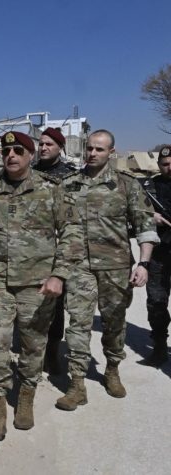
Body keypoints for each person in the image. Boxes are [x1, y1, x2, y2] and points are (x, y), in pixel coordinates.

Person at [0, 131, 82, 440]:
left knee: (33, 344)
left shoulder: (51, 190)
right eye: (6, 151)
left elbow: (71, 231)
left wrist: (59, 275)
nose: (11, 156)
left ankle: (26, 395)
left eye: (18, 150)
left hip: (37, 284)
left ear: (31, 155)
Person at [56, 129, 159, 411]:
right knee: (78, 323)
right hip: (79, 267)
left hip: (116, 267)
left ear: (111, 152)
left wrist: (144, 264)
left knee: (114, 323)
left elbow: (145, 226)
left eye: (99, 149)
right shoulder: (68, 184)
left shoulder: (127, 185)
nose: (92, 153)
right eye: (89, 148)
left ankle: (112, 368)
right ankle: (77, 383)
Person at [34, 127, 78, 375]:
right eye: (41, 144)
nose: (43, 148)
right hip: (32, 249)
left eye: (49, 144)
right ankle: (33, 348)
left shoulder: (71, 176)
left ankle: (52, 352)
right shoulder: (29, 172)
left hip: (60, 249)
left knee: (56, 304)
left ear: (60, 147)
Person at [140, 146, 171, 366]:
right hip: (159, 254)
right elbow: (136, 211)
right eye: (165, 164)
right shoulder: (148, 187)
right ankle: (159, 346)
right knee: (156, 302)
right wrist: (151, 217)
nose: (169, 168)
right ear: (159, 165)